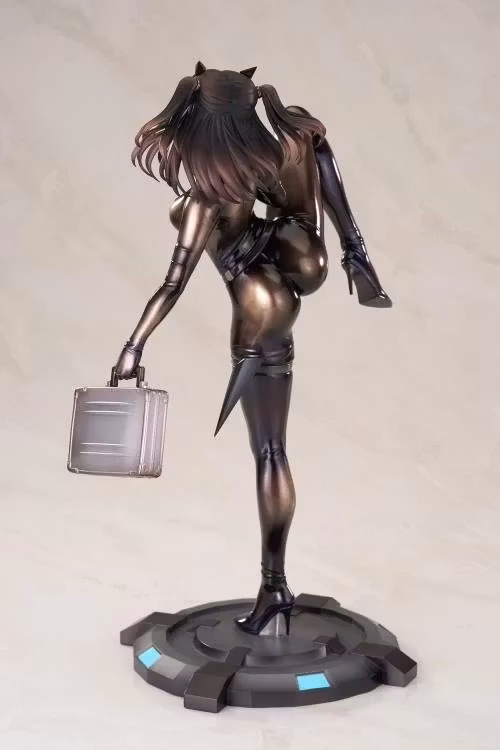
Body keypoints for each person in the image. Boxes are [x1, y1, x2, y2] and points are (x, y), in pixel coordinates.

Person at [114, 62, 392, 636]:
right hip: (291, 267)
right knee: (304, 132)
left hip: (254, 313)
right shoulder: (273, 156)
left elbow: (172, 284)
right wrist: (350, 246)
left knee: (268, 452)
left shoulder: (202, 202)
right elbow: (313, 150)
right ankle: (356, 253)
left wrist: (132, 347)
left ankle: (275, 587)